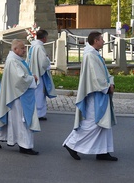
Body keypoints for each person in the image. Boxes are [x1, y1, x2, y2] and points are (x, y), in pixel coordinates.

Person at [63, 31, 117, 161]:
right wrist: (107, 86)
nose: (103, 42)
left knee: (103, 122)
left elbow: (102, 73)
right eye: (101, 40)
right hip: (95, 93)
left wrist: (111, 82)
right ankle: (72, 144)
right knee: (93, 123)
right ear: (96, 41)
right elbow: (96, 77)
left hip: (101, 92)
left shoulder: (94, 54)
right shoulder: (91, 55)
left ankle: (103, 151)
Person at [0, 39, 40, 155]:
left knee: (15, 121)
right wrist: (32, 78)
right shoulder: (13, 61)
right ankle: (25, 146)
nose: (24, 50)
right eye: (22, 48)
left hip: (19, 94)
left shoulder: (16, 60)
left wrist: (30, 77)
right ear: (15, 49)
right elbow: (19, 79)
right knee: (22, 121)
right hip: (18, 96)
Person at [27, 29, 56, 120]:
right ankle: (38, 114)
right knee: (39, 94)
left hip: (33, 72)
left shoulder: (33, 46)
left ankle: (35, 113)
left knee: (36, 94)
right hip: (38, 74)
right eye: (46, 37)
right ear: (44, 38)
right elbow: (43, 62)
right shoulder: (39, 47)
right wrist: (48, 60)